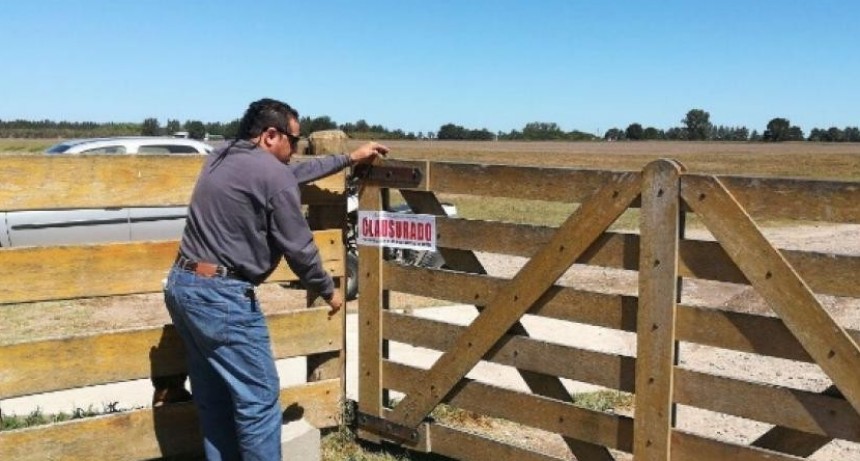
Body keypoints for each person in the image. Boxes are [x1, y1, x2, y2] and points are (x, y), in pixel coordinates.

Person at [162, 97, 387, 460]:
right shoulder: (272, 174)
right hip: (222, 297)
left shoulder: (222, 155)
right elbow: (300, 248)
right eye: (292, 141)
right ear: (270, 135)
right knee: (259, 400)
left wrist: (347, 158)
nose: (294, 150)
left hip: (182, 285)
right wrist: (328, 290)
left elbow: (287, 175)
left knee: (215, 398)